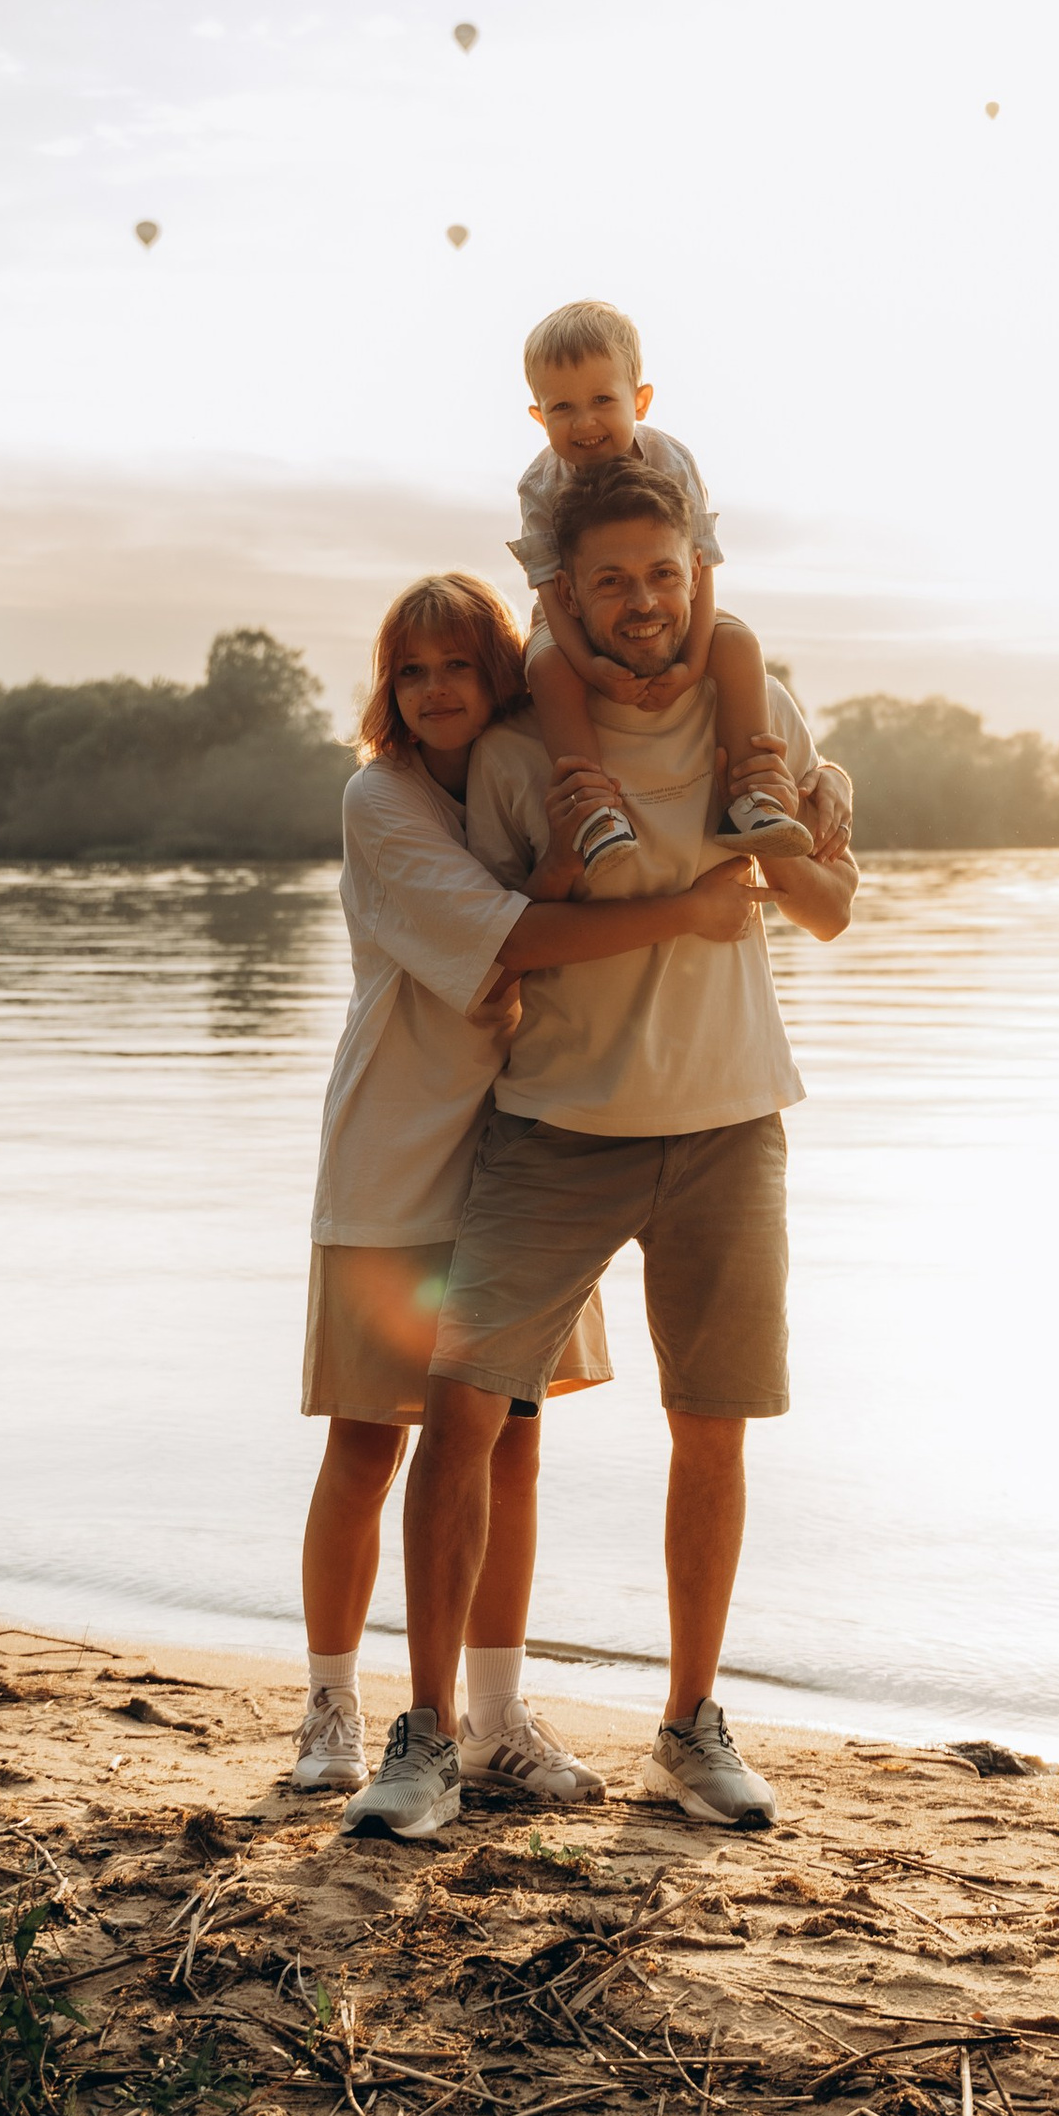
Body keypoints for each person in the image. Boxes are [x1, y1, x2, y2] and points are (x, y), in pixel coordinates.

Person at [342, 452, 859, 1844]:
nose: (646, 603)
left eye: (665, 574)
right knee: (461, 1414)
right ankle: (428, 1734)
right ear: (569, 593)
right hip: (554, 1126)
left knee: (714, 1425)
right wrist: (672, 898)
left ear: (699, 570)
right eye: (614, 580)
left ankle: (692, 1725)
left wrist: (811, 841)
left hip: (730, 1120)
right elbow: (515, 928)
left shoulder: (770, 713)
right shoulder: (519, 757)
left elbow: (829, 911)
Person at [296, 570, 764, 1805]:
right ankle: (333, 1705)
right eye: (412, 670)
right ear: (388, 691)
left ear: (502, 676)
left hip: (520, 1143)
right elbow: (516, 938)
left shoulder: (514, 779)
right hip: (397, 1161)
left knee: (512, 1442)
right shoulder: (380, 800)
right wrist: (689, 911)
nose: (436, 688)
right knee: (367, 1442)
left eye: (459, 665)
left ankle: (497, 1717)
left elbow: (552, 893)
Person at [509, 299, 811, 889]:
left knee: (738, 642)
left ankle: (751, 797)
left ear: (639, 401)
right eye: (561, 408)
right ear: (537, 415)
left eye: (602, 400)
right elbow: (548, 585)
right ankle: (595, 811)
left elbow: (702, 564)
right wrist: (590, 667)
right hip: (571, 618)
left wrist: (695, 660)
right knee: (546, 665)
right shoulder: (538, 483)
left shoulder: (671, 458)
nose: (585, 422)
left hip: (680, 607)